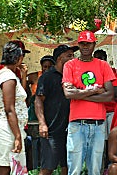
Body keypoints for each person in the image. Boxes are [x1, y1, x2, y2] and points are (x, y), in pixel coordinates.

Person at [62, 30, 115, 175]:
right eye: (82, 43)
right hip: (77, 124)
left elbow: (109, 95)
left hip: (98, 124)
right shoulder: (70, 66)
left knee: (95, 169)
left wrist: (79, 94)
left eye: (88, 43)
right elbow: (68, 93)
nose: (85, 46)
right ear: (78, 44)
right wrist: (93, 91)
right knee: (75, 169)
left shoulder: (103, 65)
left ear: (94, 45)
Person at [35, 45, 78, 175]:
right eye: (69, 56)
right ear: (60, 58)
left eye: (73, 55)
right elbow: (38, 100)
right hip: (52, 130)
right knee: (48, 168)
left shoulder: (72, 76)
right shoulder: (47, 77)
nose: (73, 58)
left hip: (70, 129)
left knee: (67, 166)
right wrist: (42, 124)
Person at [0, 42, 28, 175]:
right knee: (5, 168)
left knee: (14, 168)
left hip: (11, 127)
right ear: (18, 58)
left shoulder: (9, 75)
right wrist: (17, 136)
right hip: (8, 129)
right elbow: (9, 109)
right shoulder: (8, 77)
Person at [26, 55, 55, 170]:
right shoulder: (35, 76)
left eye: (49, 67)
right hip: (35, 114)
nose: (46, 69)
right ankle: (35, 168)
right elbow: (24, 82)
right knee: (35, 144)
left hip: (49, 113)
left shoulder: (55, 78)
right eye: (44, 67)